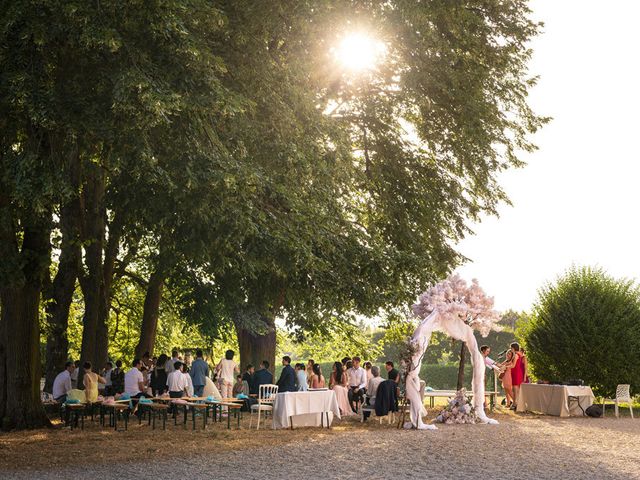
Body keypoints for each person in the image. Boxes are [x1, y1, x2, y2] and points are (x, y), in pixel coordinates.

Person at [509, 342, 525, 409]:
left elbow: (513, 365)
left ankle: (515, 404)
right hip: (516, 373)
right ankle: (516, 403)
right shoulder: (518, 354)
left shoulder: (516, 355)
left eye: (511, 348)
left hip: (516, 373)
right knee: (515, 389)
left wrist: (505, 367)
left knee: (515, 389)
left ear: (513, 348)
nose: (510, 349)